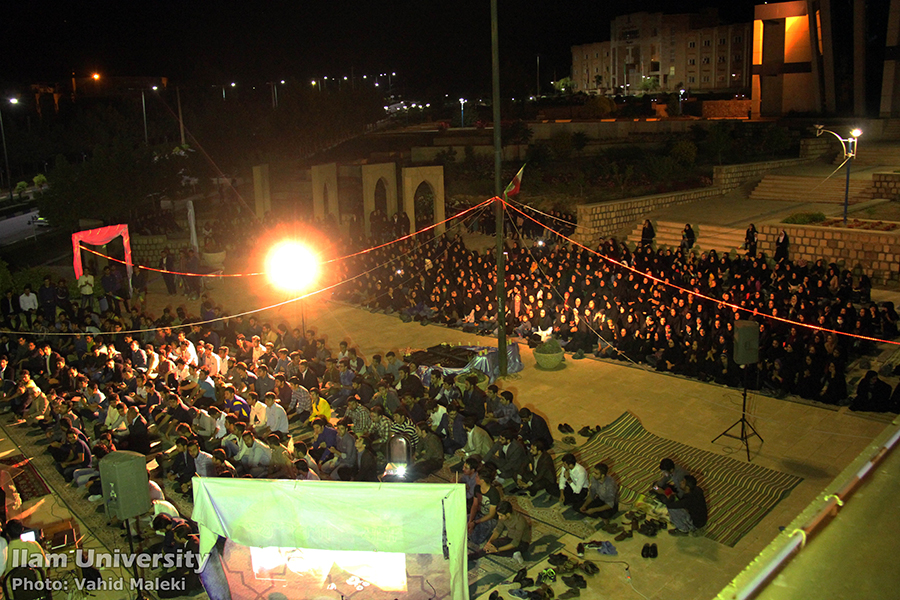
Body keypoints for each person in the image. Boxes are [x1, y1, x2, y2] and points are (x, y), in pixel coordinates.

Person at [473, 501, 531, 566]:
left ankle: (514, 552)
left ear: (508, 514)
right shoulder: (503, 517)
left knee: (494, 550)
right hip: (509, 538)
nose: (499, 518)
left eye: (501, 516)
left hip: (522, 543)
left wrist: (497, 550)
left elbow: (515, 543)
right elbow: (498, 529)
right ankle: (513, 553)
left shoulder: (519, 521)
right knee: (490, 548)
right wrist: (489, 543)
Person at [579, 462, 620, 530]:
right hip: (600, 499)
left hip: (611, 505)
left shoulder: (610, 485)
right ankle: (597, 514)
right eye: (594, 472)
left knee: (604, 514)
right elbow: (592, 495)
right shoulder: (594, 479)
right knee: (578, 506)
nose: (593, 474)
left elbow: (610, 504)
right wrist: (584, 505)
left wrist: (594, 509)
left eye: (596, 473)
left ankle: (602, 517)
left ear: (603, 475)